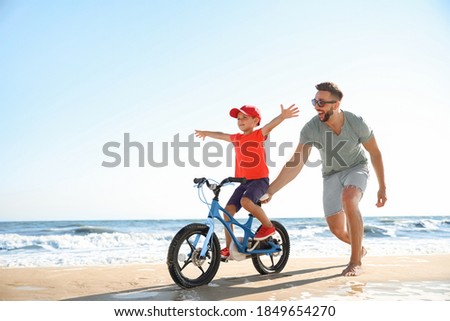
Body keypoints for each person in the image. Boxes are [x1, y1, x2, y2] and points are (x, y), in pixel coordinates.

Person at [263, 82, 387, 276]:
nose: (316, 106)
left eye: (321, 102)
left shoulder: (356, 122)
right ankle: (360, 249)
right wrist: (271, 190)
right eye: (314, 101)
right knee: (337, 230)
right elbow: (295, 162)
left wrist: (382, 187)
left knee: (349, 199)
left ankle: (355, 262)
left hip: (356, 167)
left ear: (336, 104)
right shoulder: (311, 128)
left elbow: (375, 153)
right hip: (330, 175)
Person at [195, 104, 299, 260]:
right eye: (238, 118)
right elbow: (222, 135)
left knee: (246, 201)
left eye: (245, 117)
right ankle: (229, 248)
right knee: (228, 212)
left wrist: (282, 117)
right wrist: (206, 133)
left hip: (259, 180)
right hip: (243, 182)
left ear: (255, 120)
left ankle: (268, 227)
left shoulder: (258, 135)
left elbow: (269, 127)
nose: (240, 120)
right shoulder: (237, 138)